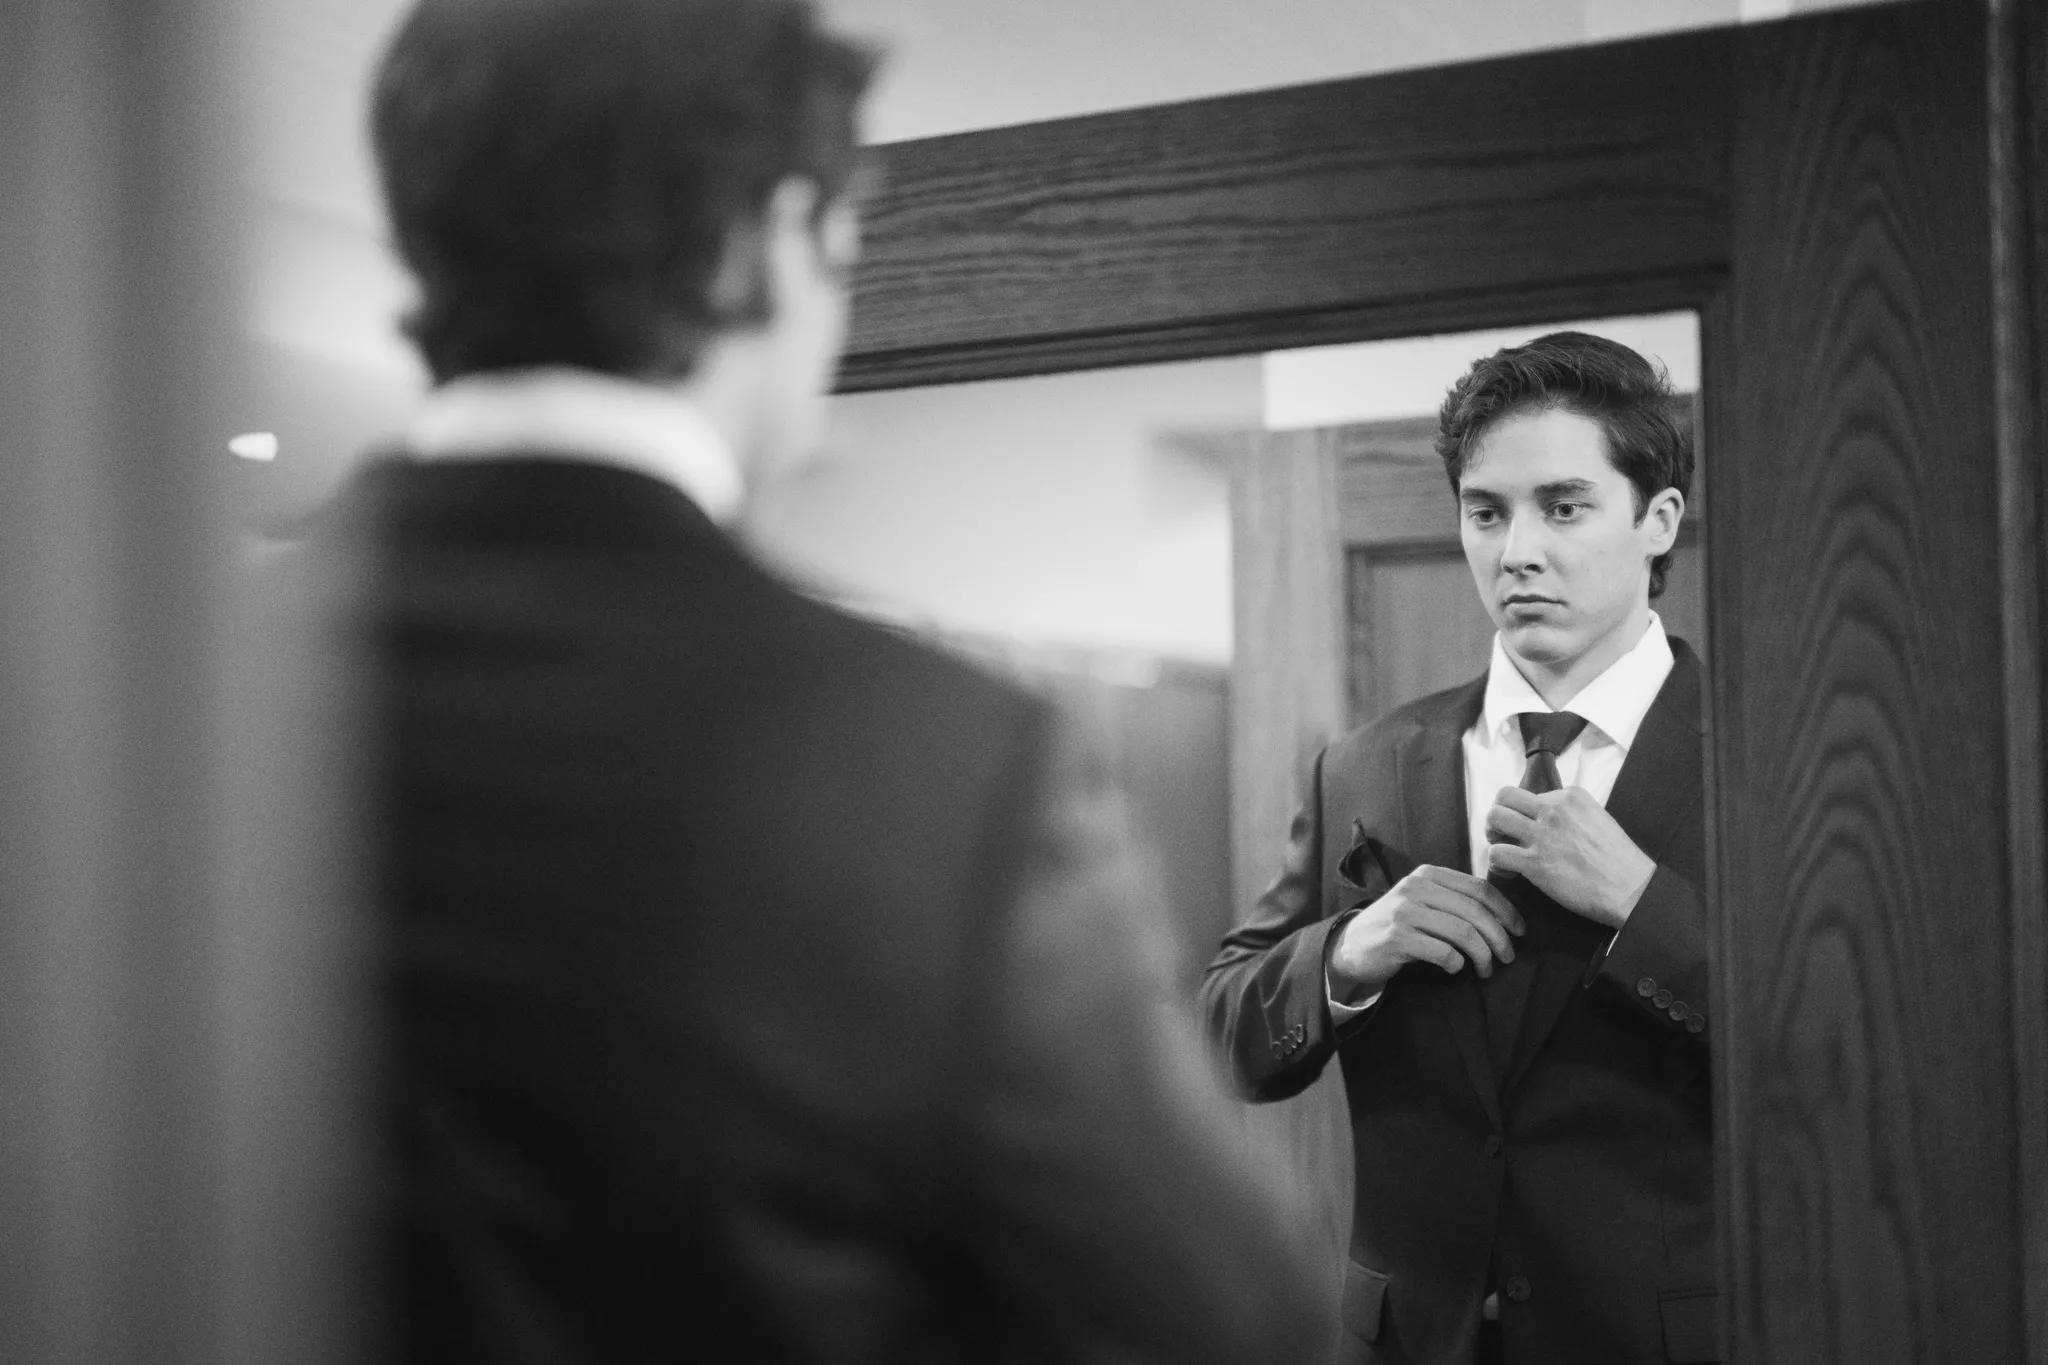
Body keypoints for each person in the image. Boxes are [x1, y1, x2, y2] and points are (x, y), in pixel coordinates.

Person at [305, 0, 1331, 1359]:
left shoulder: (129, 717)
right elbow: (1233, 1318)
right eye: (844, 240)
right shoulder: (938, 765)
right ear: (771, 241)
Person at [1201, 332, 1717, 1365]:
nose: (1515, 549)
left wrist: (1641, 906)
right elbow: (1219, 1036)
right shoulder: (1360, 764)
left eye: (1561, 507)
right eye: (1485, 513)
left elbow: (1855, 1057)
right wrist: (1350, 951)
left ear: (1654, 519)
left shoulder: (1774, 759)